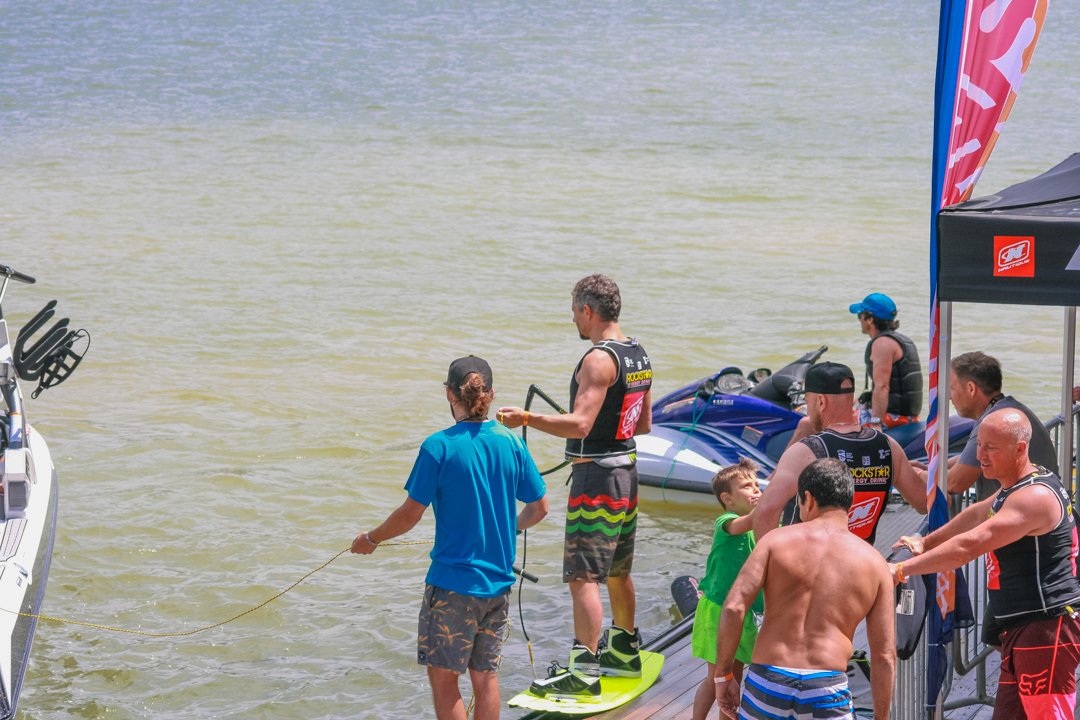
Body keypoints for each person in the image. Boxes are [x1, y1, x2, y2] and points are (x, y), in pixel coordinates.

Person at [352, 356, 549, 720]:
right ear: (489, 395)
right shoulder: (511, 443)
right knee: (486, 677)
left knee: (444, 680)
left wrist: (372, 538)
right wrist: (508, 529)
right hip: (497, 586)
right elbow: (539, 508)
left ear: (448, 393)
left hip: (453, 588)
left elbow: (410, 514)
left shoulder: (438, 447)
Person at [497, 273, 652, 701]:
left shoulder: (598, 360)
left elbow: (581, 424)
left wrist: (526, 419)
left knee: (583, 577)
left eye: (573, 313)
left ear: (588, 310)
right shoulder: (638, 354)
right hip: (628, 468)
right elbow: (643, 424)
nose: (573, 322)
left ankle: (583, 671)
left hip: (598, 476)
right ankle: (623, 651)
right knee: (618, 569)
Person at [889, 409, 1080, 719]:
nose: (980, 456)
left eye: (991, 447)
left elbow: (969, 546)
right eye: (979, 445)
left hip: (1046, 628)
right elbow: (978, 513)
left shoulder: (1034, 496)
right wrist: (925, 542)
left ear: (1020, 448)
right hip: (1019, 626)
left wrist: (901, 570)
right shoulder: (1018, 485)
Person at [715, 458, 896, 720]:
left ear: (807, 499)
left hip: (769, 681)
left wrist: (723, 676)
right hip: (827, 688)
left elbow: (733, 607)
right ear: (849, 503)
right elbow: (884, 656)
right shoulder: (874, 563)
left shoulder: (774, 542)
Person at [753, 361, 926, 543]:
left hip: (807, 567)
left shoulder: (806, 451)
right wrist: (920, 472)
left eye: (808, 402)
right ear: (851, 399)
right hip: (858, 564)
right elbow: (923, 503)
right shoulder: (888, 446)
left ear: (820, 401)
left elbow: (766, 512)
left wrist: (770, 565)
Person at [928, 351, 1058, 500]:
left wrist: (914, 473)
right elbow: (975, 461)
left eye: (951, 388)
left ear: (971, 388)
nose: (949, 396)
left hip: (1025, 513)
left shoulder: (993, 423)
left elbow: (954, 483)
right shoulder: (1010, 410)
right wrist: (935, 466)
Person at [690, 459, 763, 720]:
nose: (756, 489)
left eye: (757, 484)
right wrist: (775, 496)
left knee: (736, 675)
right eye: (747, 486)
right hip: (719, 609)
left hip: (744, 611)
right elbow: (748, 522)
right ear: (727, 499)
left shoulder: (761, 526)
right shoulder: (728, 521)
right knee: (717, 676)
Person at [849, 292, 923, 437]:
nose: (860, 320)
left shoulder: (883, 344)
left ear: (869, 319)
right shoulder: (902, 340)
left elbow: (882, 387)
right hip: (906, 414)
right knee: (847, 404)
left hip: (894, 417)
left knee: (835, 421)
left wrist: (876, 423)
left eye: (860, 316)